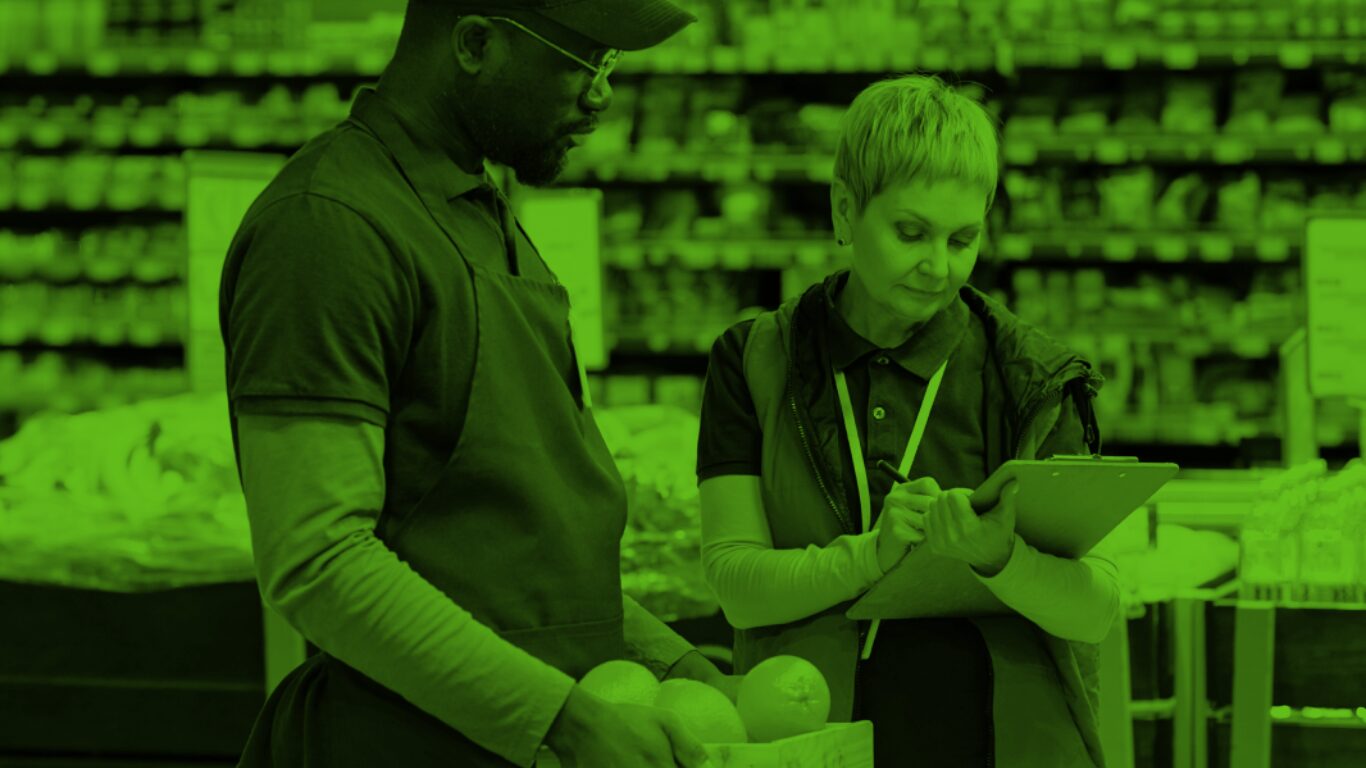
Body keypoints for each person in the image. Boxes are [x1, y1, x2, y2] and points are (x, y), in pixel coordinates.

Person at [219, 2, 727, 766]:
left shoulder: (483, 213)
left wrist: (670, 661)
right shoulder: (328, 227)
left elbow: (513, 567)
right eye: (584, 61)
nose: (602, 96)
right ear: (475, 44)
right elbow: (319, 561)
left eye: (611, 67)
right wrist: (569, 721)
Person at [696, 74, 1121, 767]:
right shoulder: (752, 360)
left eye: (963, 238)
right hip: (806, 736)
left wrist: (999, 558)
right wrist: (870, 556)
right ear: (843, 211)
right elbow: (736, 587)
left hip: (1000, 741)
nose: (936, 266)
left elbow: (1095, 609)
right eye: (910, 232)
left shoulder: (1035, 378)